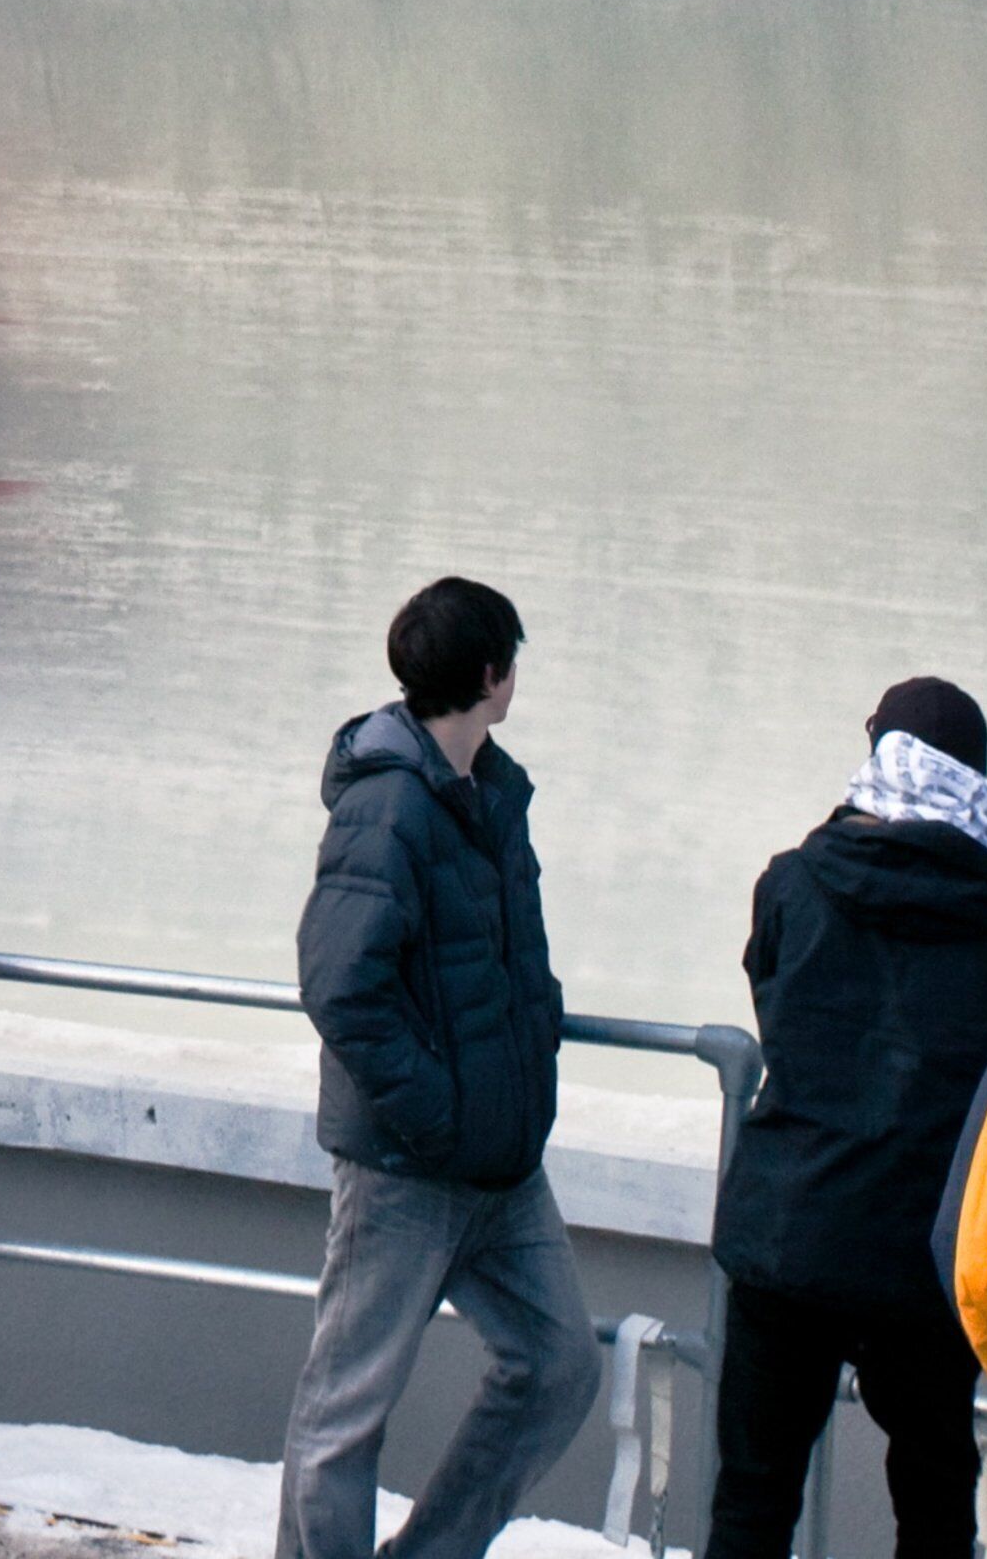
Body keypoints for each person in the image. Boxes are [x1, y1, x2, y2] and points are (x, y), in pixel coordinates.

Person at [275, 577, 600, 1559]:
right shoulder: (389, 808)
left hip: (499, 1167)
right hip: (408, 1168)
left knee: (559, 1367)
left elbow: (510, 966)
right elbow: (339, 985)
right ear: (494, 675)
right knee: (345, 1415)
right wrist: (438, 1112)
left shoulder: (491, 792)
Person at [709, 679, 987, 1559]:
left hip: (790, 1234)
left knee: (751, 1500)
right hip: (927, 1254)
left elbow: (776, 1002)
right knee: (934, 1505)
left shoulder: (795, 882)